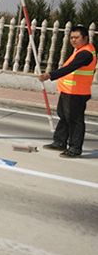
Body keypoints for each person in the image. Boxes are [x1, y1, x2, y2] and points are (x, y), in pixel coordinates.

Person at [38, 25, 96, 158]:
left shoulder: (86, 53)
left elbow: (70, 68)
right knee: (64, 116)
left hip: (77, 92)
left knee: (75, 120)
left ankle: (75, 149)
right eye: (71, 38)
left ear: (85, 38)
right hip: (69, 91)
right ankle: (60, 142)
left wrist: (50, 75)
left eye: (76, 37)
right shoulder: (79, 50)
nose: (73, 40)